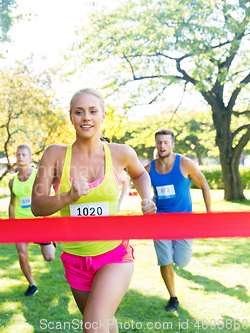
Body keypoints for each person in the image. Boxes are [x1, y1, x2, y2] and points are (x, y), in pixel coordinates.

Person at [31, 88, 156, 333]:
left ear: (103, 116)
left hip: (114, 255)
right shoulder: (55, 155)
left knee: (93, 327)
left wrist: (147, 198)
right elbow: (37, 206)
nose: (86, 117)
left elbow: (141, 174)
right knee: (104, 324)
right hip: (75, 259)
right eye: (79, 112)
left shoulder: (121, 153)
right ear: (71, 117)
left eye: (92, 111)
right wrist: (68, 196)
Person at [145, 128, 212, 313]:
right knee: (164, 260)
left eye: (166, 142)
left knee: (181, 262)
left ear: (172, 144)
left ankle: (177, 254)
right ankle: (173, 298)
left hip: (184, 223)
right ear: (155, 144)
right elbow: (138, 182)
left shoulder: (185, 163)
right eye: (159, 142)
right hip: (159, 222)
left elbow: (205, 185)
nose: (162, 146)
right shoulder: (149, 168)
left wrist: (209, 213)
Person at [9, 144, 56, 296]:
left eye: (23, 154)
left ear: (30, 158)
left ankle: (52, 241)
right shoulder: (12, 181)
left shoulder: (38, 175)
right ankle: (32, 284)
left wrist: (47, 221)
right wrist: (10, 223)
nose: (20, 157)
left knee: (49, 257)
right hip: (21, 223)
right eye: (18, 155)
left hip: (39, 220)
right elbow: (12, 203)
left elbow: (47, 197)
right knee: (22, 254)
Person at [100, 136, 130, 213]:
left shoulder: (115, 167)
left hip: (109, 212)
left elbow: (125, 181)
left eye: (106, 147)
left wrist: (119, 202)